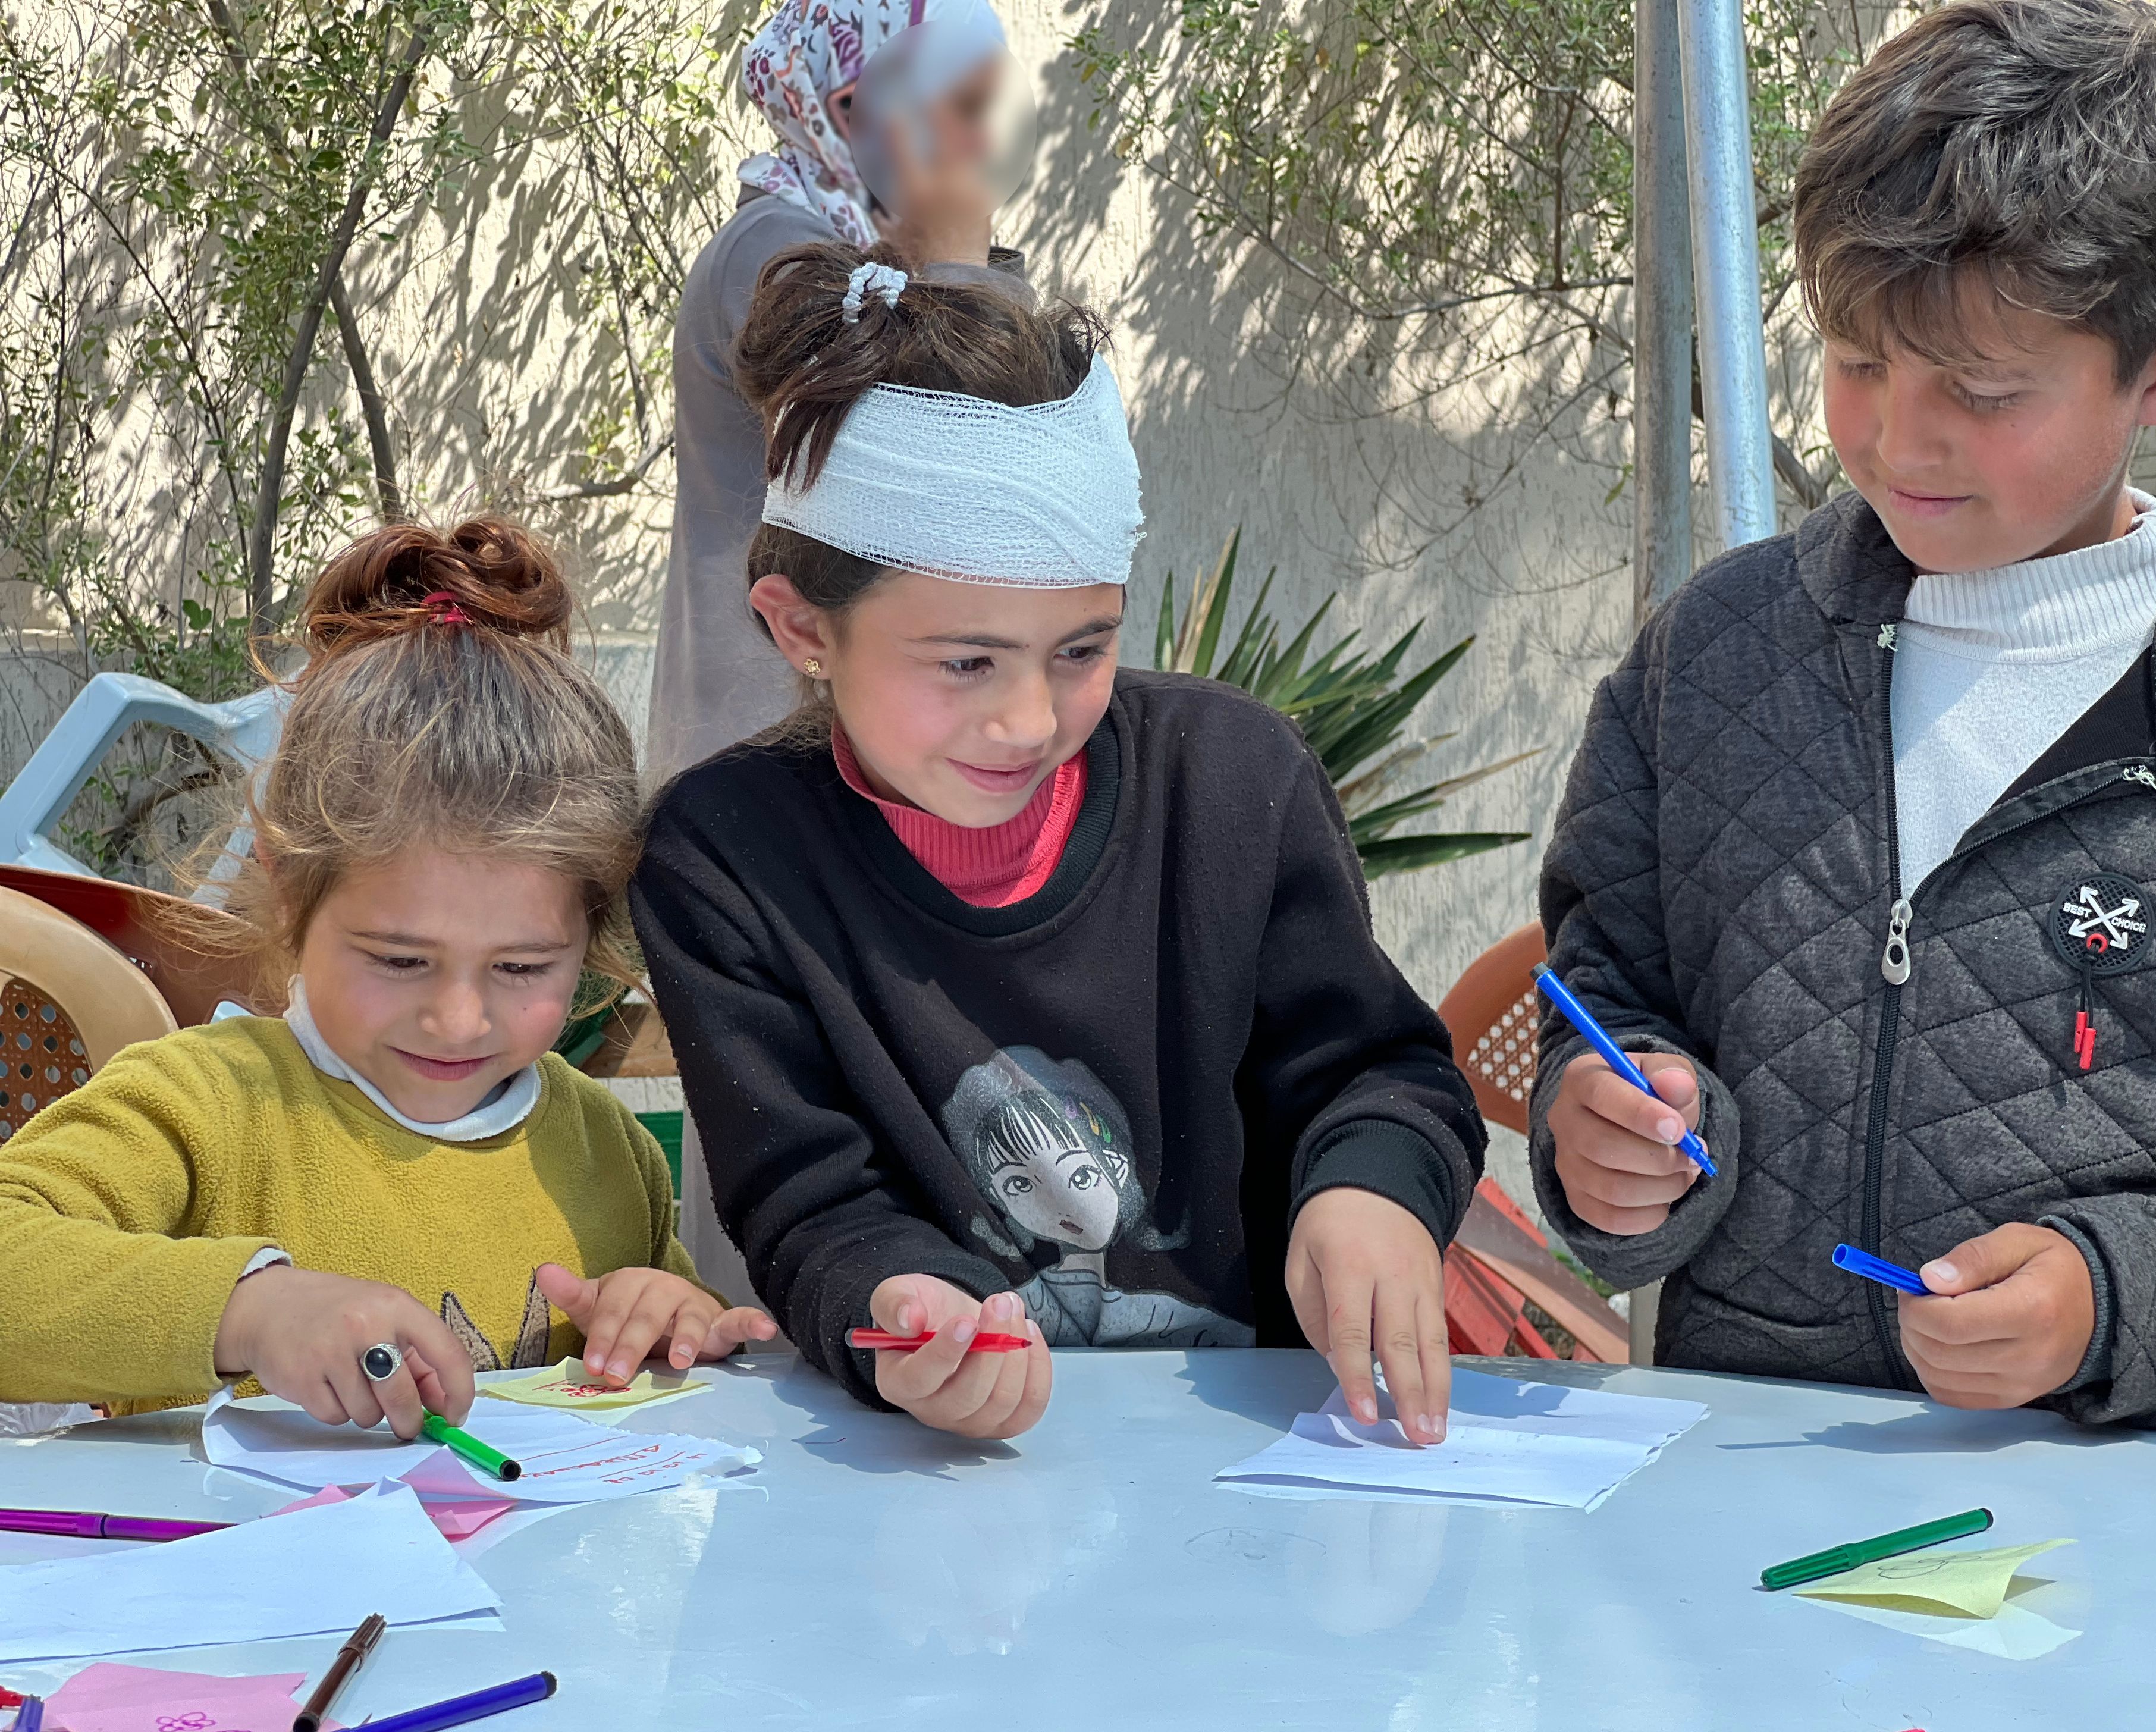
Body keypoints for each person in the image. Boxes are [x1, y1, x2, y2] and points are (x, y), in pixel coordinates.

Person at [1533, 0, 2156, 1467]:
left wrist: (2114, 1299)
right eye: (1858, 360)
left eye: (1985, 393)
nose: (1898, 439)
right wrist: (1607, 1128)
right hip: (1752, 1499)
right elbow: (1611, 981)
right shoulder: (1719, 653)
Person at [631, 242, 1486, 1444]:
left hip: (1265, 1462)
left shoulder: (1235, 782)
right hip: (940, 1485)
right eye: (967, 661)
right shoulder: (726, 858)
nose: (1031, 720)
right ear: (801, 628)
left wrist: (1371, 1191)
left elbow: (1374, 1074)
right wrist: (907, 1310)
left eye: (1082, 649)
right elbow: (809, 1199)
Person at [0, 519, 774, 1429]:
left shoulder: (609, 1152)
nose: (457, 1018)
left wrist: (666, 1322)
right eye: (401, 959)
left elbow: (684, 1385)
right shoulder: (207, 1106)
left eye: (523, 966)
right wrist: (251, 1311)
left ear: (592, 932)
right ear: (289, 893)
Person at [648, 0, 1031, 780]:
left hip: (816, 750)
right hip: (766, 765)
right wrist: (963, 263)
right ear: (853, 107)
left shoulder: (864, 255)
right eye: (960, 104)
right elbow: (943, 446)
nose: (984, 141)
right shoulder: (780, 251)